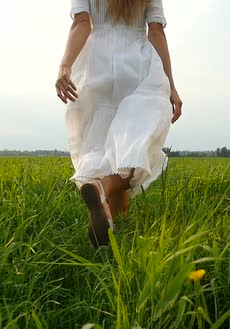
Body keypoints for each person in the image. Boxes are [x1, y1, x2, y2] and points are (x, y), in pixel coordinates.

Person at [56, 0, 182, 247]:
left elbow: (81, 23)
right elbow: (156, 32)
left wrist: (65, 66)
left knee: (105, 149)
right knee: (135, 147)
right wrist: (172, 86)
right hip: (137, 65)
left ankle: (109, 237)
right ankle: (101, 187)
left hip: (96, 64)